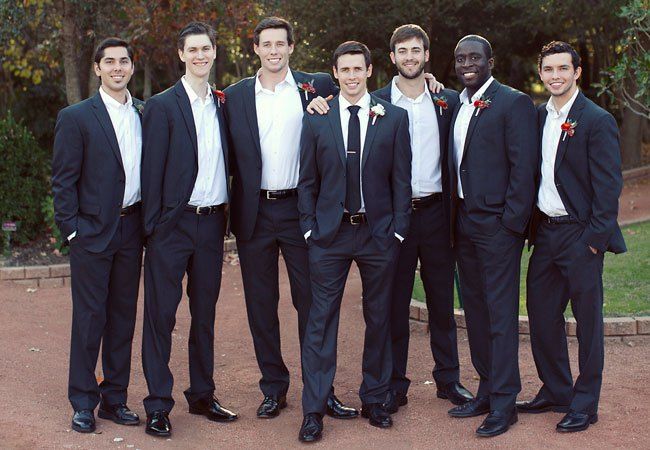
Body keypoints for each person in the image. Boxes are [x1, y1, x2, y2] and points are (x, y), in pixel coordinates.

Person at [223, 17, 357, 420]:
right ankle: (274, 388)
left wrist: (432, 81)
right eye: (267, 44)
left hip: (303, 212)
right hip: (255, 213)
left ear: (292, 47)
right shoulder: (235, 96)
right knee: (261, 305)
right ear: (256, 49)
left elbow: (364, 92)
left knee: (313, 304)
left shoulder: (318, 87)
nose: (274, 50)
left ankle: (321, 389)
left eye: (280, 43)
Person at [297, 41, 411, 442]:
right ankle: (314, 409)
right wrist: (310, 228)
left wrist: (397, 229)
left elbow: (402, 180)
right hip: (329, 236)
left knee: (378, 317)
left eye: (357, 69)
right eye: (344, 69)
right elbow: (307, 181)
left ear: (369, 70)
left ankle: (375, 398)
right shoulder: (317, 119)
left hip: (378, 235)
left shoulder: (393, 118)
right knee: (320, 322)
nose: (351, 76)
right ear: (335, 72)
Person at [517, 41, 626, 433]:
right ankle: (557, 389)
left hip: (581, 237)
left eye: (563, 68)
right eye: (548, 69)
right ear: (542, 73)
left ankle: (585, 402)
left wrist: (595, 241)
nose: (555, 76)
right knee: (542, 318)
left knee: (588, 324)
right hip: (545, 234)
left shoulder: (596, 120)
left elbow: (608, 187)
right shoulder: (537, 116)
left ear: (577, 71)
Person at [140, 21, 236, 437]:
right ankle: (158, 404)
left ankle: (201, 394)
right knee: (161, 317)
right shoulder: (162, 105)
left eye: (206, 49)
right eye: (192, 50)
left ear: (215, 52)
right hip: (172, 227)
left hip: (212, 225)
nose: (200, 56)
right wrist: (155, 228)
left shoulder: (224, 103)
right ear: (181, 55)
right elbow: (150, 171)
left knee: (205, 315)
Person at [373, 24, 473, 412]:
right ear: (392, 58)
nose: (410, 57)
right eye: (403, 51)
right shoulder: (376, 101)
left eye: (417, 50)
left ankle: (448, 380)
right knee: (394, 306)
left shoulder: (447, 100)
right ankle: (395, 384)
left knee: (442, 305)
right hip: (394, 219)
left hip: (436, 214)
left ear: (427, 56)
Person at [447, 35, 537, 437]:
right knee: (476, 313)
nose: (467, 63)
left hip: (498, 228)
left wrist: (511, 225)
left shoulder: (513, 102)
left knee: (500, 316)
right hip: (463, 224)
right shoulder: (456, 104)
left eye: (474, 57)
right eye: (461, 57)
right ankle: (485, 390)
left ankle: (505, 402)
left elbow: (524, 170)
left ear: (490, 61)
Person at [52, 37, 144, 433]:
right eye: (110, 62)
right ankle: (83, 401)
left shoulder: (145, 112)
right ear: (97, 68)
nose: (117, 68)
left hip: (133, 228)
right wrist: (73, 230)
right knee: (90, 319)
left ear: (131, 67)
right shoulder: (76, 117)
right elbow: (63, 181)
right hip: (91, 233)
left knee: (123, 318)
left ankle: (115, 399)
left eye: (123, 61)